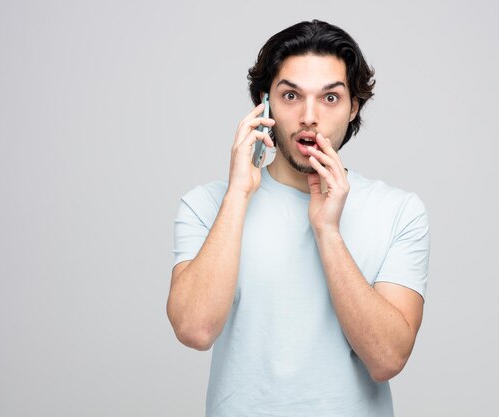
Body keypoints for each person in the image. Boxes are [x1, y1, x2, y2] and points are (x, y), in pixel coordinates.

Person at [167, 19, 430, 417]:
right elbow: (195, 330)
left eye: (329, 98)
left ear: (353, 106)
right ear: (265, 101)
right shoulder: (205, 205)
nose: (309, 117)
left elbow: (387, 359)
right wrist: (238, 194)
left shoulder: (399, 211)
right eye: (291, 95)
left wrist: (328, 232)